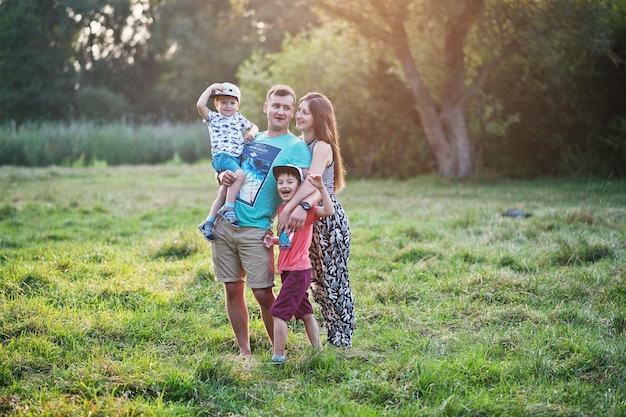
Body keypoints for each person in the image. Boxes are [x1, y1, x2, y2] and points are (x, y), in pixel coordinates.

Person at [212, 85, 314, 357]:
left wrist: (302, 206)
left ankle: (278, 350)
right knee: (232, 288)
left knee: (262, 293)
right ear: (265, 107)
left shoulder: (296, 147)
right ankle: (244, 352)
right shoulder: (250, 140)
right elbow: (228, 169)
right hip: (225, 223)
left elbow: (312, 185)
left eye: (286, 107)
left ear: (292, 113)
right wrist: (220, 177)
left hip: (257, 228)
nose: (280, 111)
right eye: (275, 105)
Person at [277, 92, 355, 348]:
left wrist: (292, 207)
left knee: (334, 281)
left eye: (305, 111)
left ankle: (343, 340)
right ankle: (330, 338)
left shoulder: (322, 145)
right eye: (298, 110)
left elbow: (314, 183)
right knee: (316, 281)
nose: (298, 115)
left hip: (326, 221)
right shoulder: (301, 145)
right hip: (308, 221)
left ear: (318, 117)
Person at [263, 165, 334, 364]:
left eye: (290, 182)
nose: (284, 185)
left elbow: (328, 210)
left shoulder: (306, 210)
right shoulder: (282, 210)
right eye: (280, 182)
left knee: (278, 313)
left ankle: (278, 356)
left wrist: (321, 189)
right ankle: (318, 351)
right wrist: (275, 241)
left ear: (299, 186)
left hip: (298, 271)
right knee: (305, 312)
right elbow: (290, 240)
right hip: (288, 271)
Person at [196, 82, 259, 242]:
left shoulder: (238, 118)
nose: (228, 106)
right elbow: (200, 105)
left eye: (232, 103)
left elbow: (255, 126)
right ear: (216, 104)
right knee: (240, 175)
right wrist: (210, 88)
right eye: (223, 102)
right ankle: (229, 209)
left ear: (238, 105)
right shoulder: (214, 118)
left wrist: (251, 133)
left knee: (224, 191)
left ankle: (209, 222)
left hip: (235, 158)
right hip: (222, 157)